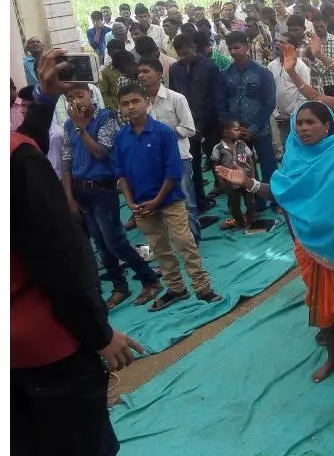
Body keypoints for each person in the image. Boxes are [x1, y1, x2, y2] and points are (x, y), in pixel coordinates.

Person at [12, 50, 144, 456]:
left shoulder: (20, 156)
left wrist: (44, 98)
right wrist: (99, 334)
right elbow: (61, 262)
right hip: (45, 347)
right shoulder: (19, 162)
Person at [218, 101, 334, 382]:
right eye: (299, 123)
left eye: (311, 122)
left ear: (327, 125)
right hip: (310, 243)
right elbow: (281, 192)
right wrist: (248, 183)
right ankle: (332, 357)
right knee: (321, 304)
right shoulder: (293, 158)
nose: (304, 128)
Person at [113, 84, 221, 311]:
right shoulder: (121, 137)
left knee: (184, 242)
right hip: (141, 204)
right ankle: (176, 288)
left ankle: (203, 288)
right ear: (119, 108)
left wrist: (157, 200)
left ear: (146, 102)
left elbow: (173, 171)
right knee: (159, 247)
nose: (131, 107)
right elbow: (121, 173)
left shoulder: (163, 132)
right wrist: (131, 203)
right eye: (125, 103)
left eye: (135, 101)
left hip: (170, 199)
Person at [61, 83, 162, 308]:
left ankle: (149, 279)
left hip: (102, 189)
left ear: (91, 95)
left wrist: (81, 129)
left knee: (115, 241)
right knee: (100, 243)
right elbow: (66, 159)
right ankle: (119, 286)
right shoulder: (68, 124)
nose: (76, 101)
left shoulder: (106, 118)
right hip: (80, 189)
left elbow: (101, 152)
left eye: (80, 95)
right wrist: (69, 196)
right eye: (70, 98)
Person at [136, 58, 203, 245]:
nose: (141, 75)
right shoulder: (139, 103)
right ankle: (172, 242)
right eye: (139, 72)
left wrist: (162, 134)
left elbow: (189, 129)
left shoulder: (176, 98)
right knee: (160, 202)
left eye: (146, 71)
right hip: (152, 161)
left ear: (159, 74)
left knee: (186, 201)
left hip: (179, 157)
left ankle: (193, 241)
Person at [218, 32, 278, 211]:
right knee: (243, 166)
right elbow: (221, 103)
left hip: (260, 130)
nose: (233, 52)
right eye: (230, 48)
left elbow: (269, 103)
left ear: (247, 46)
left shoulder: (262, 72)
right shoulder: (225, 74)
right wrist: (231, 128)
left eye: (237, 47)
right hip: (237, 135)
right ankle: (256, 204)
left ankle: (276, 201)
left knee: (268, 165)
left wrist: (253, 128)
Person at [168, 33, 221, 210]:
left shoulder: (210, 67)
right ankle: (200, 201)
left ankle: (228, 196)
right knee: (193, 166)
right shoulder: (175, 69)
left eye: (186, 53)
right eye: (179, 54)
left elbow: (215, 99)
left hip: (209, 124)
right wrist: (186, 125)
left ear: (194, 48)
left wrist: (202, 126)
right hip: (187, 126)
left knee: (218, 161)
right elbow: (174, 97)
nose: (183, 57)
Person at [210, 119, 256, 230]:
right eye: (236, 130)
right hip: (230, 182)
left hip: (245, 178)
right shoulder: (218, 148)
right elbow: (215, 164)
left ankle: (251, 219)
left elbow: (250, 160)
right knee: (234, 204)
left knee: (250, 201)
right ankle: (240, 222)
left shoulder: (242, 144)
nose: (239, 132)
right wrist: (220, 181)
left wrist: (252, 176)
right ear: (226, 133)